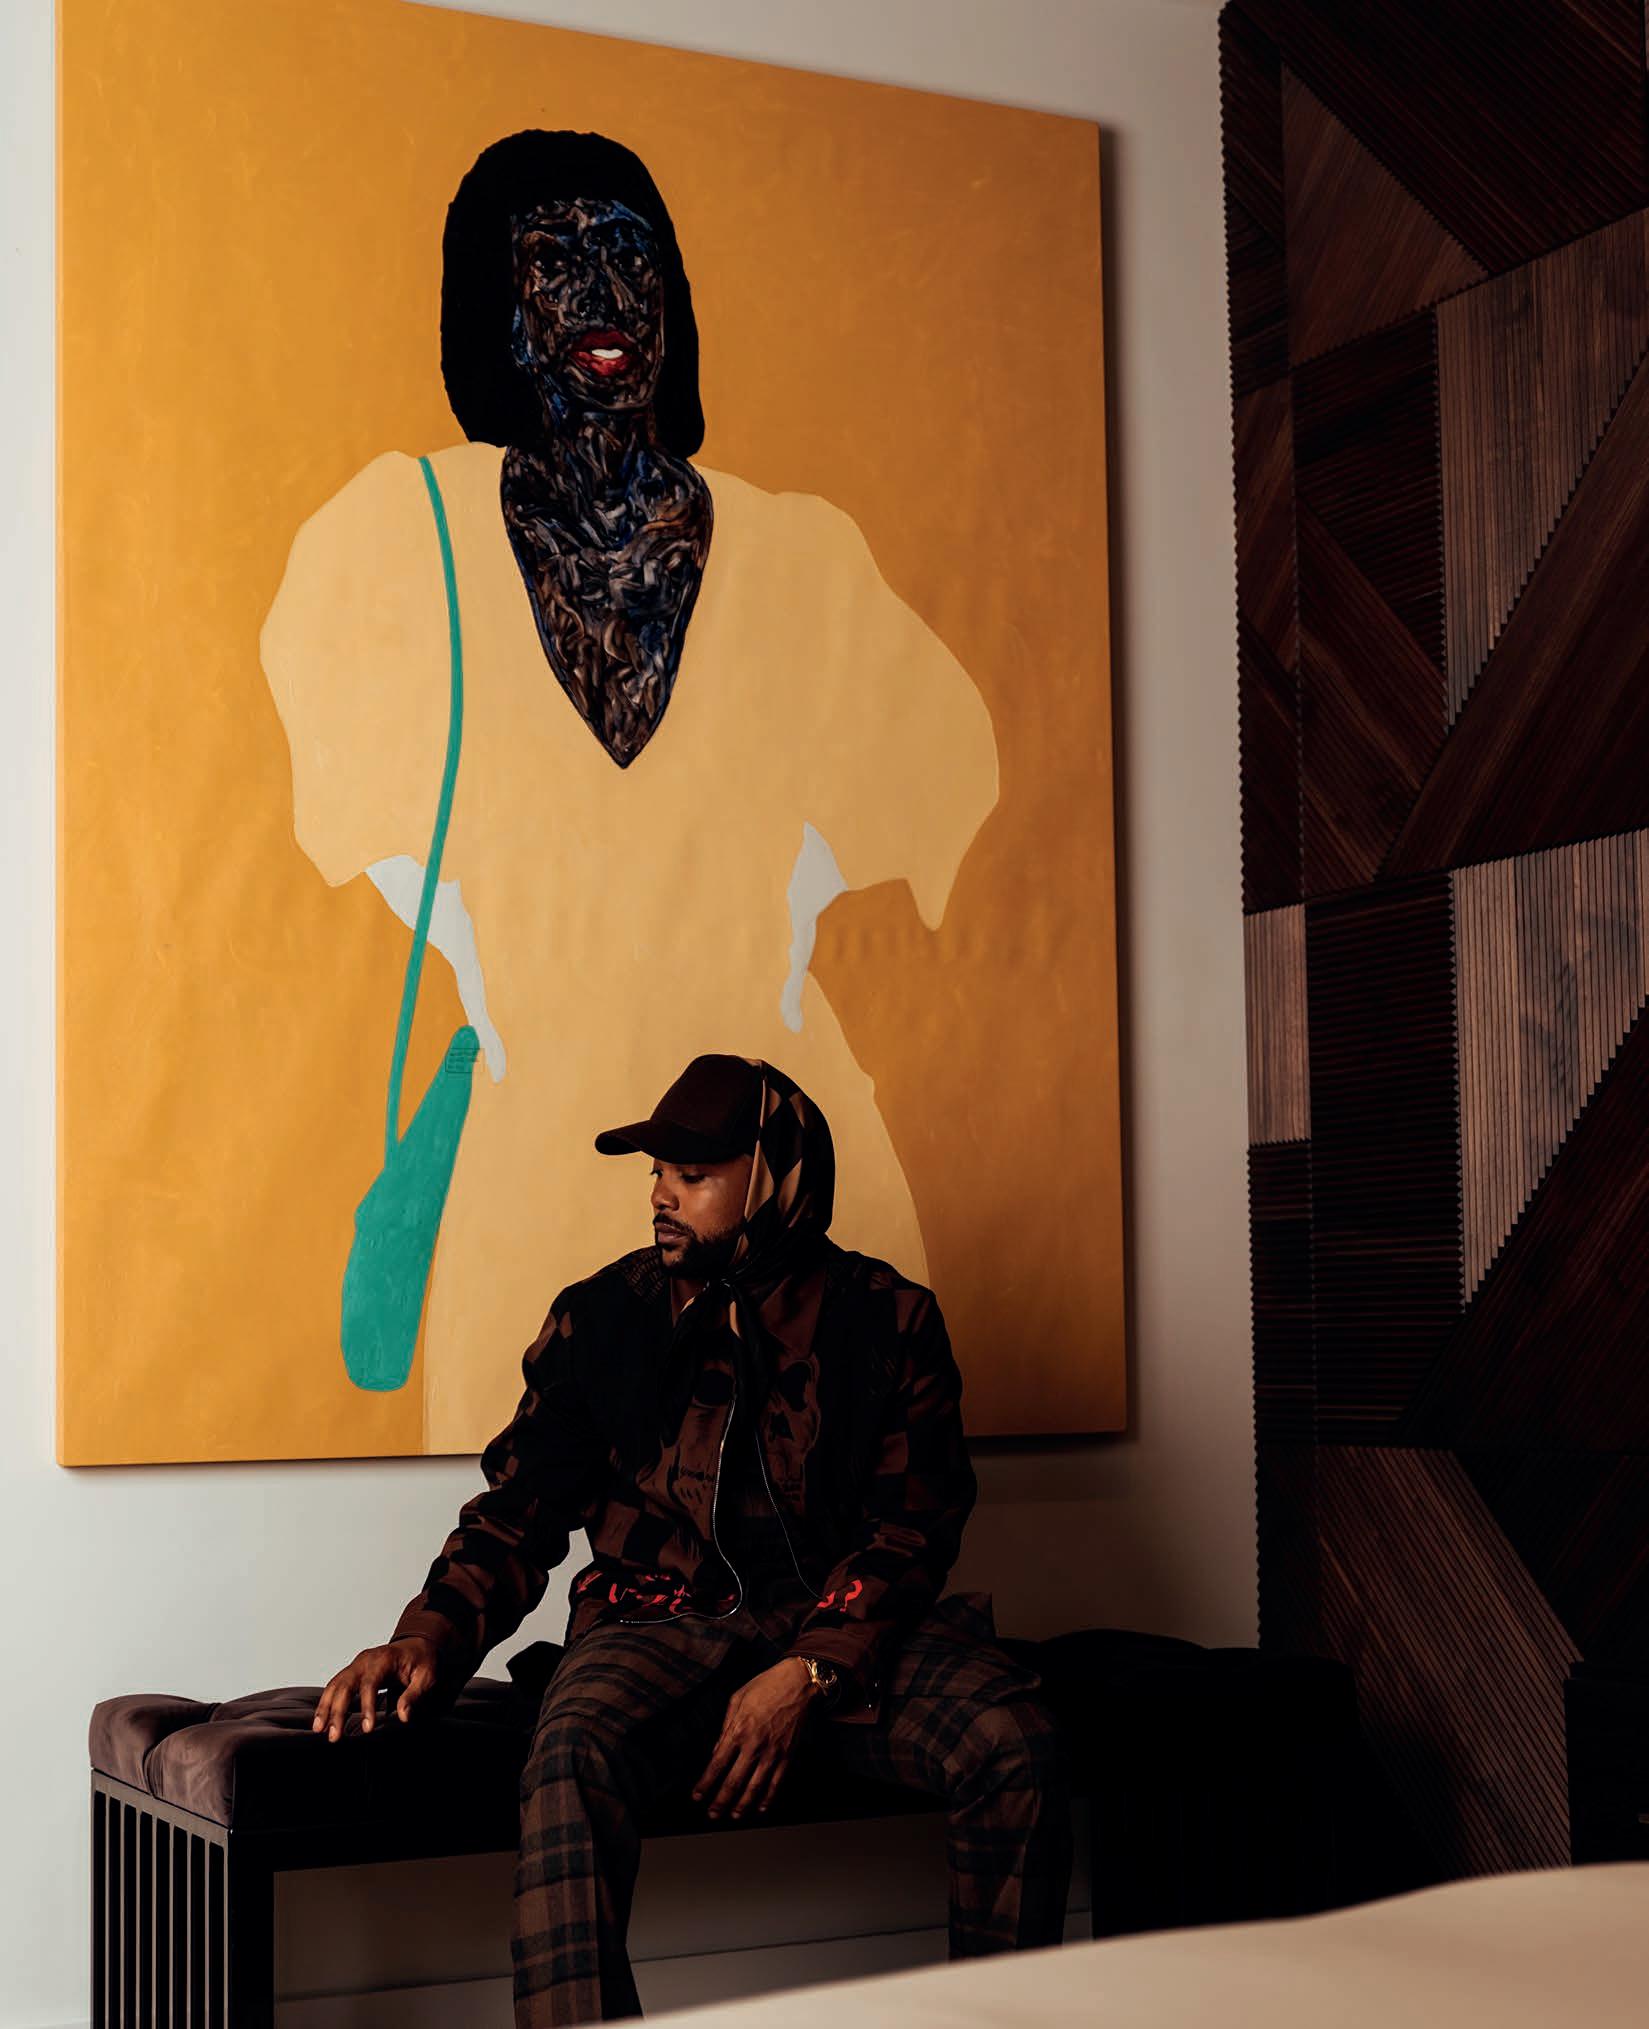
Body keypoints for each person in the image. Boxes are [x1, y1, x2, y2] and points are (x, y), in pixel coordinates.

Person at [260, 131, 999, 1451]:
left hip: (786, 1187)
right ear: (494, 309)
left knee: (826, 1496)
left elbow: (951, 800)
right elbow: (346, 829)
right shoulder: (400, 539)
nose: (603, 291)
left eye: (629, 253)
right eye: (555, 259)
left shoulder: (800, 555)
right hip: (528, 1163)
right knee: (551, 1505)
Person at [313, 1054, 1071, 2026]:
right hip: (651, 1625)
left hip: (837, 1631)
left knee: (1011, 1738)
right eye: (657, 1172)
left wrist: (808, 1670)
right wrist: (426, 1634)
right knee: (569, 1748)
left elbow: (910, 1529)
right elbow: (520, 1510)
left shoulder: (890, 1320)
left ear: (774, 1179)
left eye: (694, 1174)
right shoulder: (600, 1319)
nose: (661, 1196)